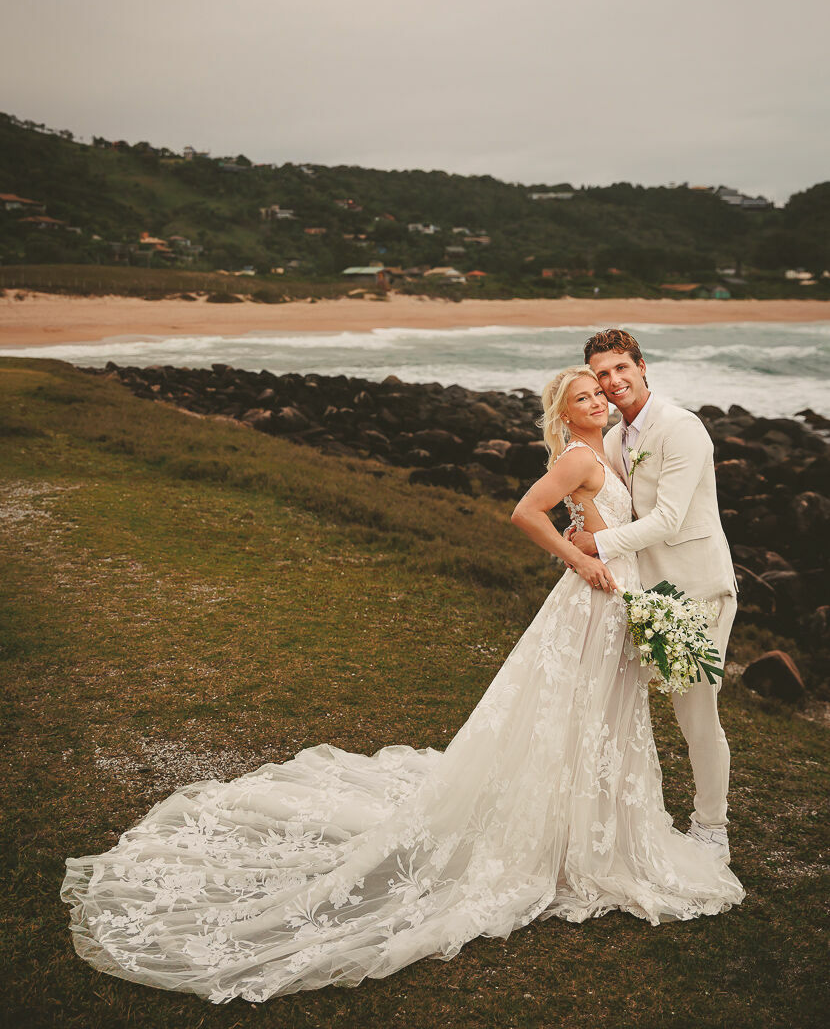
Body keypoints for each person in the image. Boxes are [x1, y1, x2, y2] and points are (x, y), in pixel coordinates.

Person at [61, 367, 743, 1005]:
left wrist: (598, 546)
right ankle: (568, 838)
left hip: (612, 595)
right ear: (563, 416)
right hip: (592, 595)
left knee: (596, 718)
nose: (598, 400)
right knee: (579, 715)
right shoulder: (579, 457)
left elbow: (605, 519)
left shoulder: (610, 451)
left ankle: (587, 831)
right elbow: (523, 515)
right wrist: (580, 559)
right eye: (583, 398)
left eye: (601, 392)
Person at [570, 329, 738, 862]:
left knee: (696, 715)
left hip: (697, 590)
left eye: (621, 368)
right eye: (602, 374)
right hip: (644, 592)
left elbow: (667, 519)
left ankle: (712, 825)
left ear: (643, 367)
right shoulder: (617, 439)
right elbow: (620, 505)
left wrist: (597, 543)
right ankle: (609, 815)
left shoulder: (681, 428)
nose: (613, 381)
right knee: (616, 704)